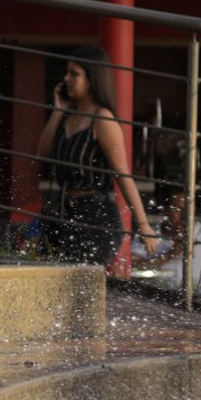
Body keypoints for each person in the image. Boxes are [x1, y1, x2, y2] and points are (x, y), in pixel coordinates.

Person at [37, 46, 158, 268]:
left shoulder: (102, 120)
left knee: (81, 285)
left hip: (96, 216)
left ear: (92, 79)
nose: (66, 79)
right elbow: (42, 152)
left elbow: (123, 174)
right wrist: (57, 111)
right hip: (63, 212)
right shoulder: (67, 116)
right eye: (67, 73)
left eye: (74, 74)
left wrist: (143, 224)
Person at [131, 189, 201, 296]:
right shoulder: (149, 235)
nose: (184, 216)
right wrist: (169, 255)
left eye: (189, 210)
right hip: (155, 299)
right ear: (165, 211)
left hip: (198, 300)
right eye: (177, 209)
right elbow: (133, 269)